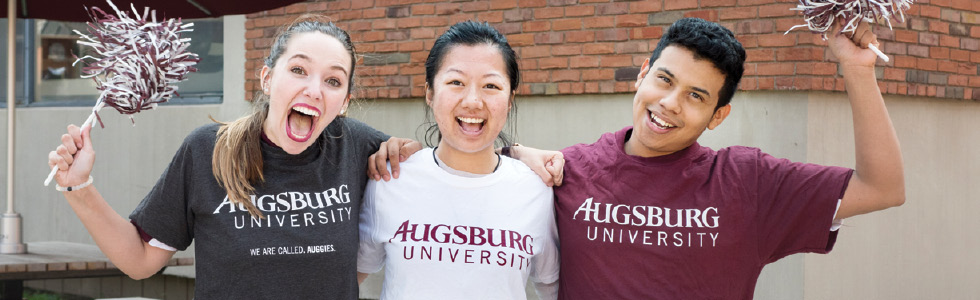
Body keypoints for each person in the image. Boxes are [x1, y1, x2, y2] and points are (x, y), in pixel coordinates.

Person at [499, 17, 905, 299]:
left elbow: (881, 187)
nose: (670, 104)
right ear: (643, 74)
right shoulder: (567, 171)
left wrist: (857, 69)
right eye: (664, 79)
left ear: (718, 115)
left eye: (696, 96)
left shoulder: (747, 182)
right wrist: (513, 152)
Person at [47, 15, 419, 299]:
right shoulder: (207, 150)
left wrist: (406, 151)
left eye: (333, 81)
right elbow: (140, 261)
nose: (314, 90)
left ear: (345, 103)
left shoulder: (356, 146)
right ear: (267, 79)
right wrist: (79, 186)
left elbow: (429, 173)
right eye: (298, 70)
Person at [356, 21, 559, 300]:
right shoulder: (391, 178)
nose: (473, 101)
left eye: (491, 85)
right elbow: (346, 278)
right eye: (456, 83)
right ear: (430, 92)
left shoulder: (536, 189)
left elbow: (554, 287)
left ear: (510, 99)